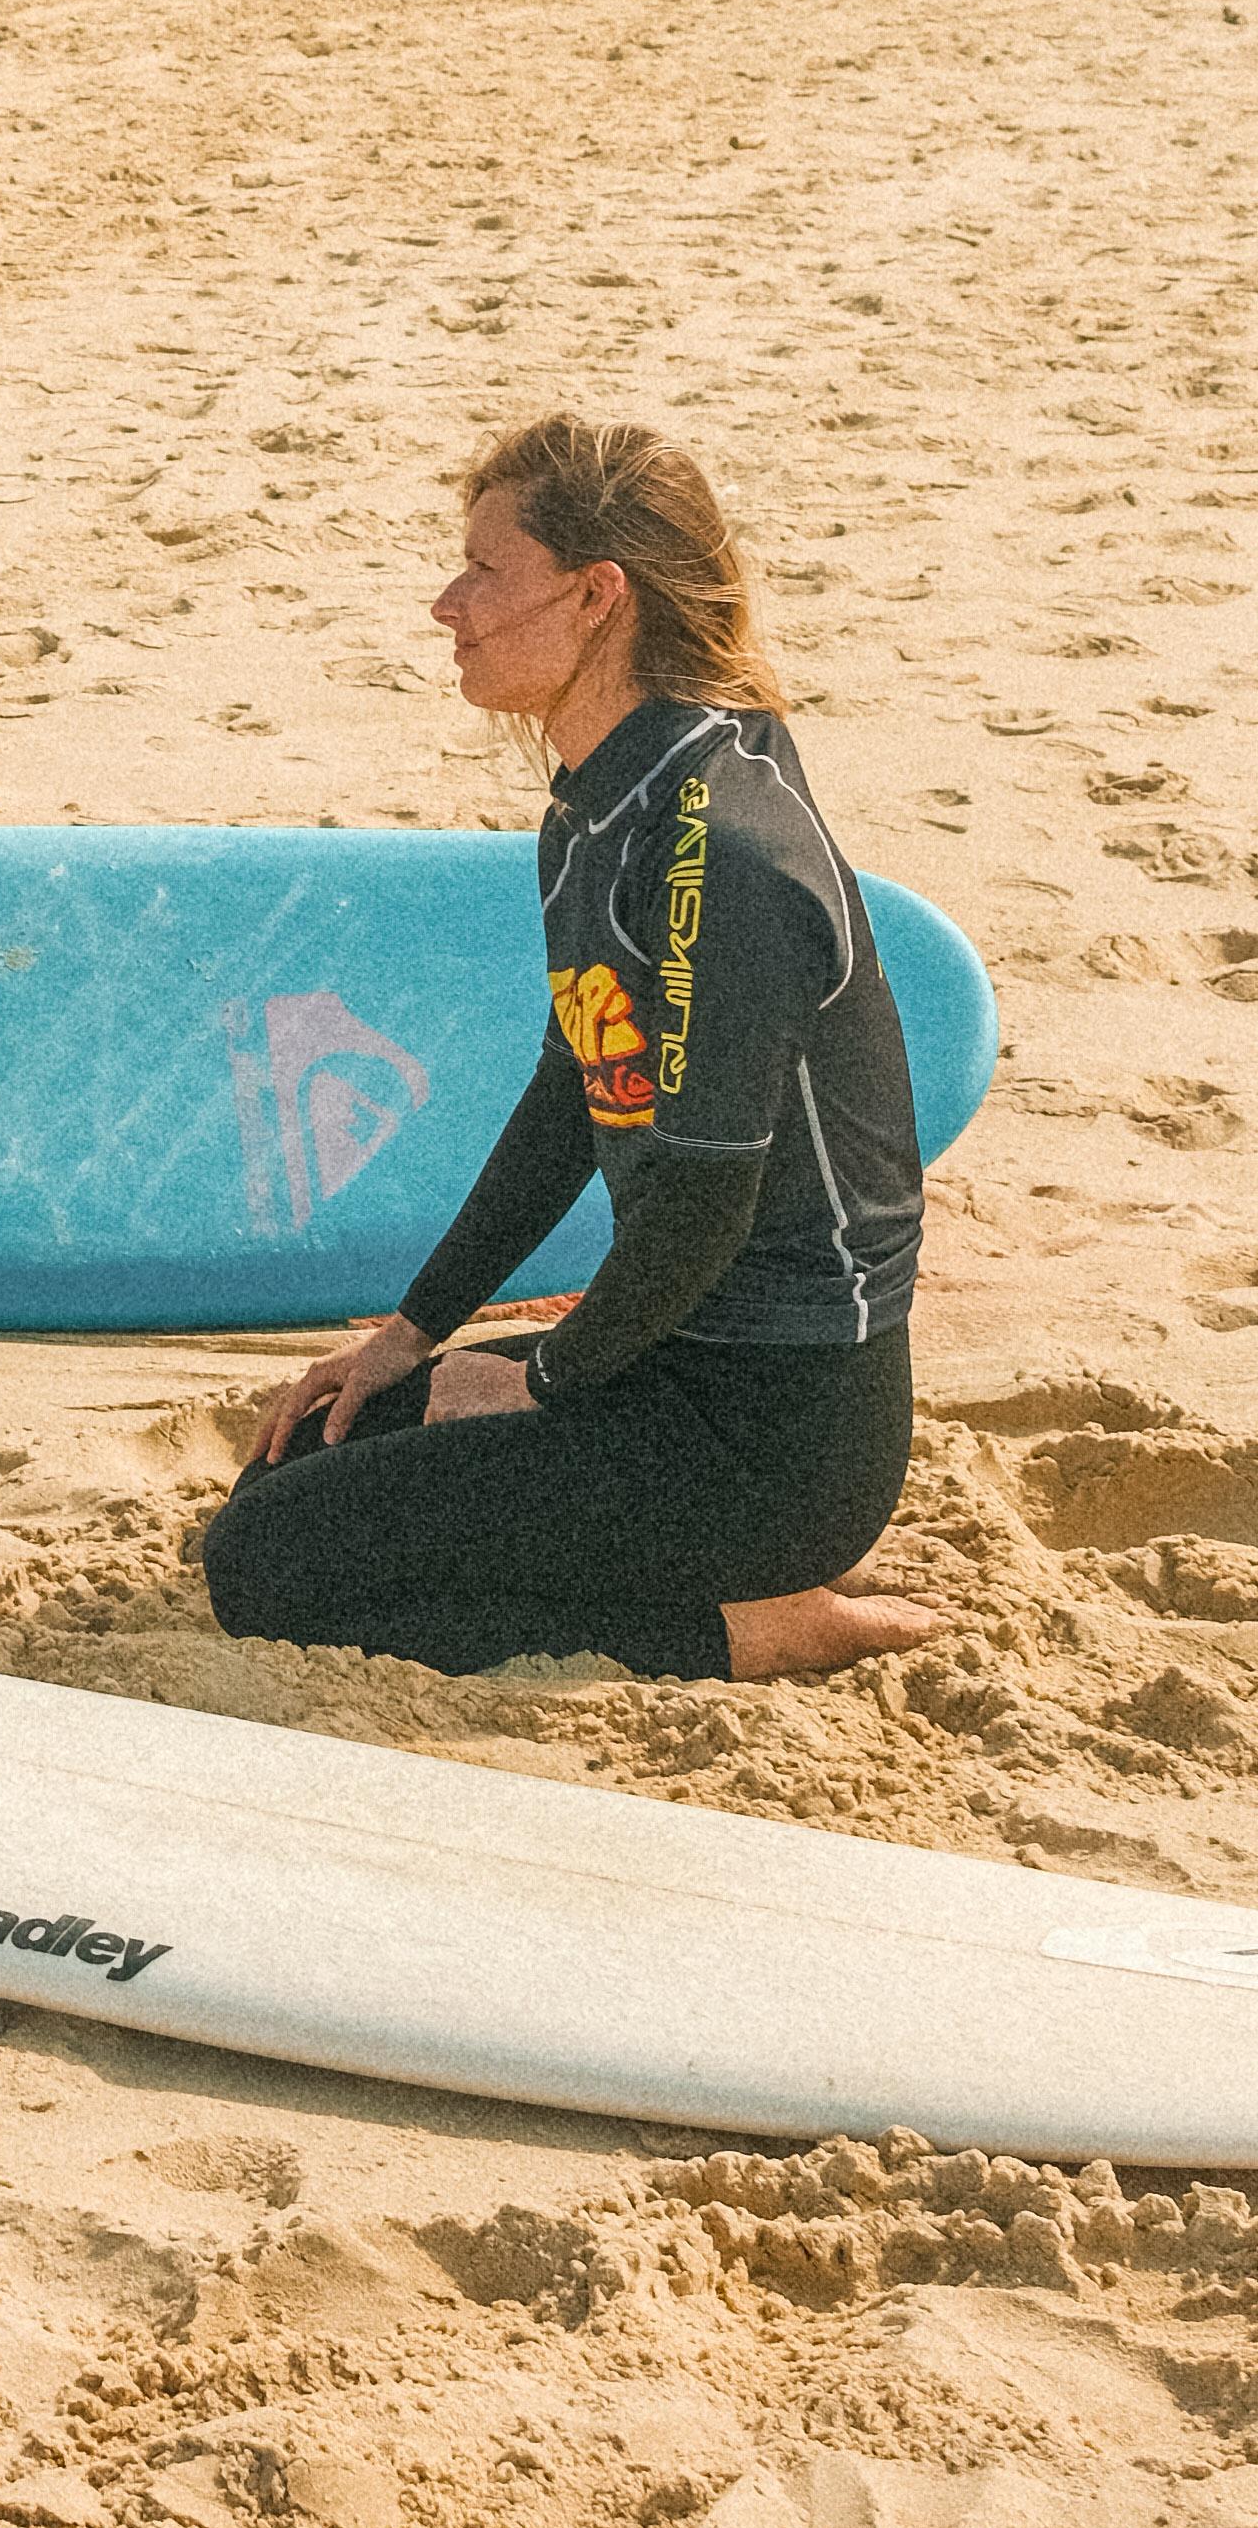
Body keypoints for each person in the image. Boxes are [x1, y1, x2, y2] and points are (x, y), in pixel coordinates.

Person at [201, 416, 940, 1692]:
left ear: (598, 597)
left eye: (486, 571)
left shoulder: (723, 850)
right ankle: (675, 1565)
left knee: (261, 1567)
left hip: (774, 1431)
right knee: (308, 1455)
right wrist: (413, 1334)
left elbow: (705, 1192)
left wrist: (542, 1378)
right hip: (670, 1360)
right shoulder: (605, 805)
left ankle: (756, 1625)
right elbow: (572, 1091)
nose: (448, 604)